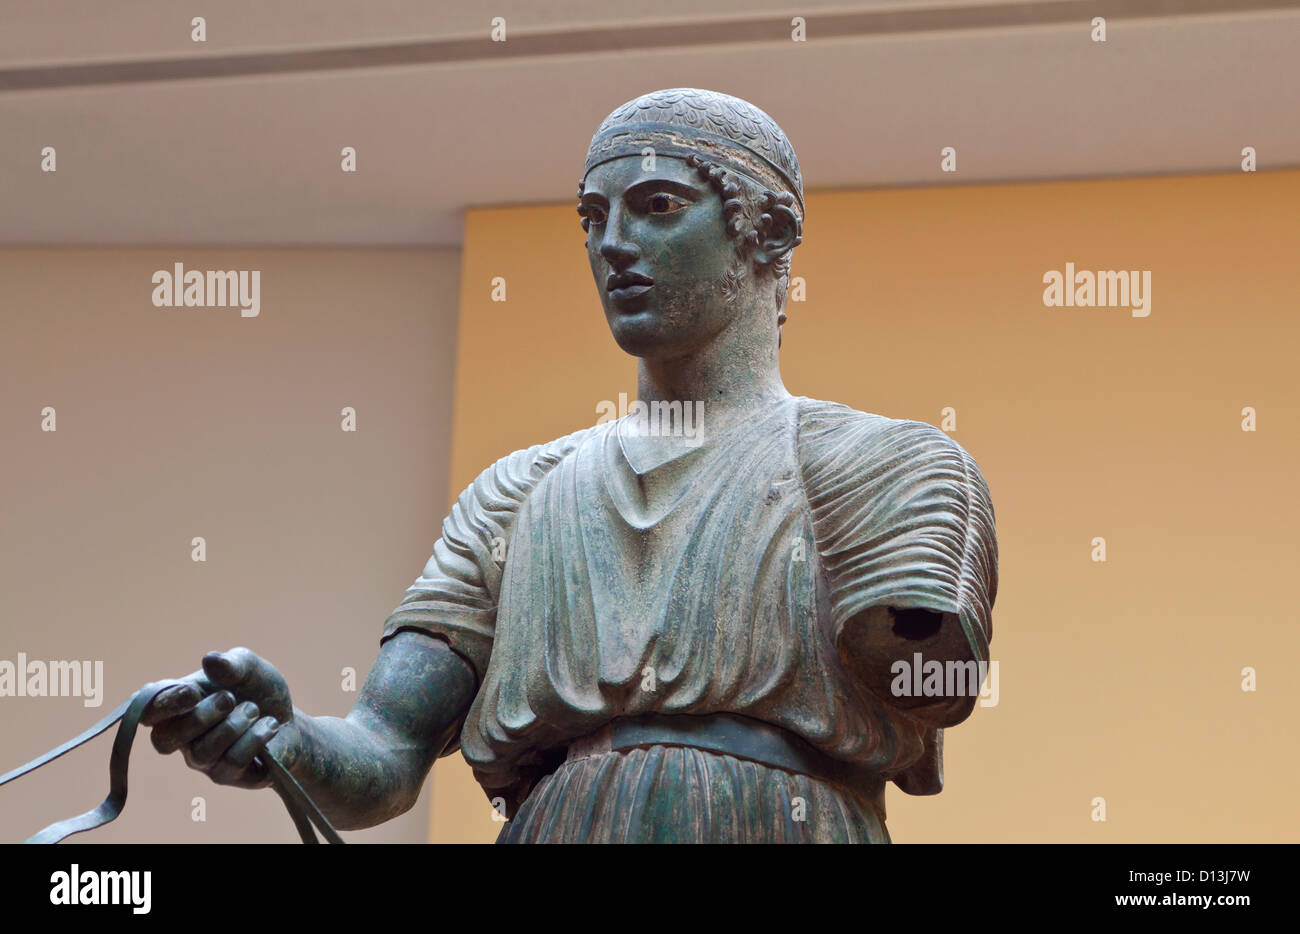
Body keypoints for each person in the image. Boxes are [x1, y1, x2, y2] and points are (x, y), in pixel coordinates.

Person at [144, 88, 998, 843]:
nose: (613, 244)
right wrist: (280, 739)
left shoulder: (886, 465)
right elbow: (386, 754)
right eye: (594, 217)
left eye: (658, 205)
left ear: (766, 230)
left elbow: (941, 685)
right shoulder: (513, 496)